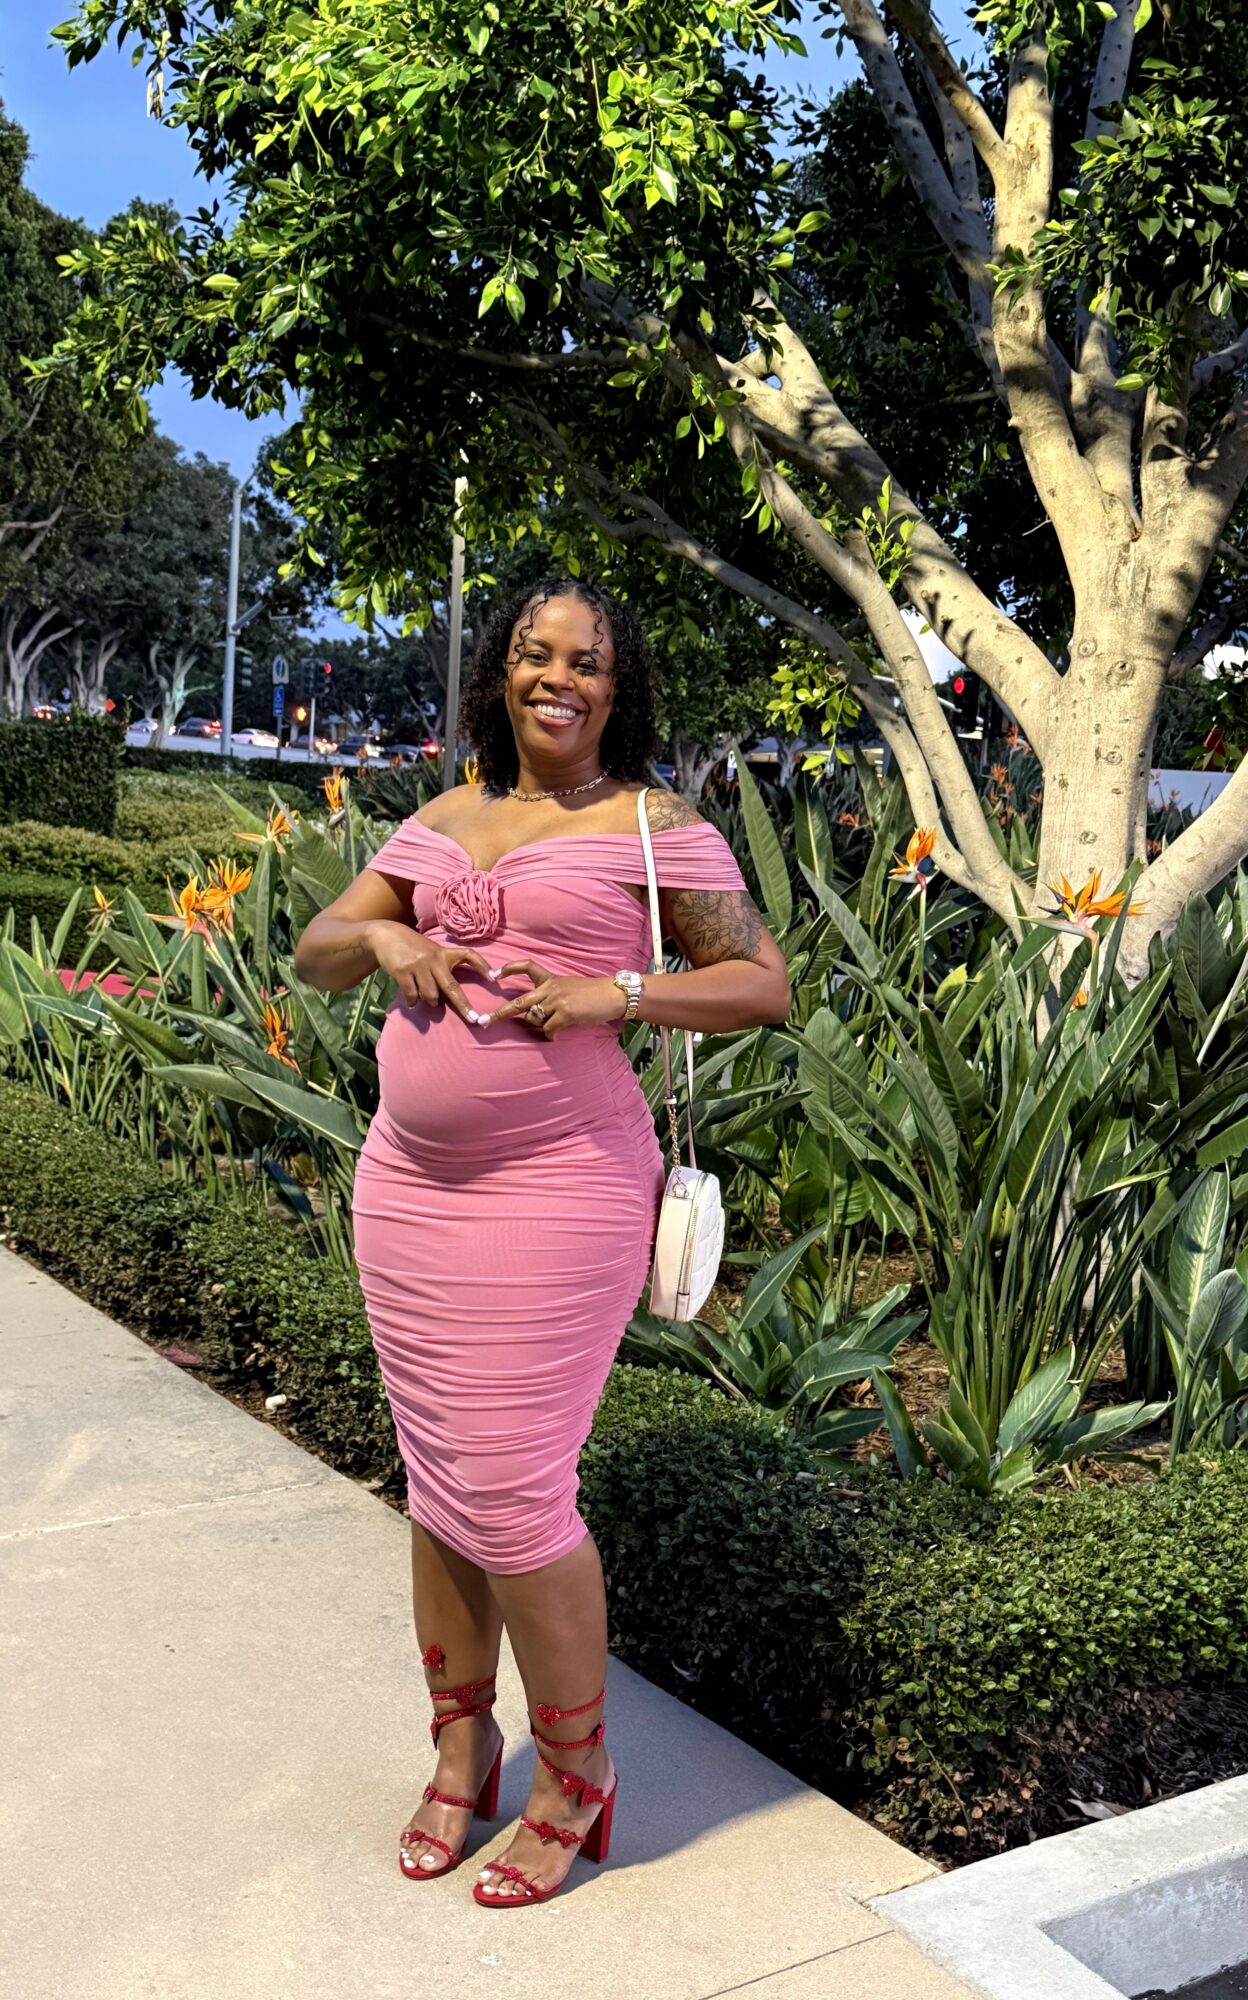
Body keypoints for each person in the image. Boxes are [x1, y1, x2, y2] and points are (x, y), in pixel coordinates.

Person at [293, 576, 790, 1906]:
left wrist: (619, 988)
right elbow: (314, 951)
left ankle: (578, 1779)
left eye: (586, 660)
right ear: (500, 672)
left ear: (618, 687)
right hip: (407, 1193)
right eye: (533, 653)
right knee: (439, 1481)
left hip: (561, 1189)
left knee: (511, 1488)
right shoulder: (445, 813)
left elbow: (762, 982)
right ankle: (463, 1753)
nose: (556, 676)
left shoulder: (653, 826)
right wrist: (390, 934)